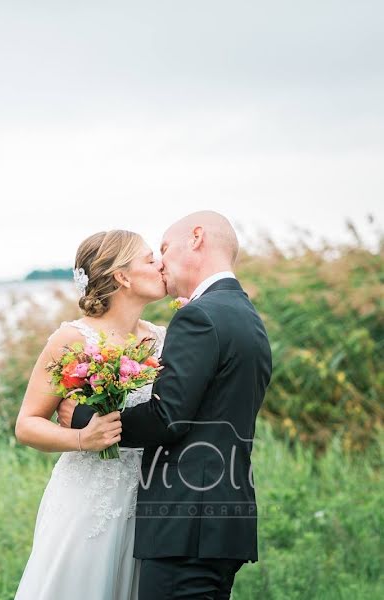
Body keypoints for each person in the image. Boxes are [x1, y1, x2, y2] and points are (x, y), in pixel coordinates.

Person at [58, 211, 273, 600]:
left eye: (164, 248)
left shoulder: (201, 316)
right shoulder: (244, 314)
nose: (160, 261)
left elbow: (167, 418)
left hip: (187, 527)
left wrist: (84, 418)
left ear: (196, 238)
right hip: (221, 521)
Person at [14, 229, 168, 600]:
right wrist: (82, 438)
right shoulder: (73, 339)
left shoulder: (163, 338)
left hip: (148, 499)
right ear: (123, 276)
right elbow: (27, 424)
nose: (161, 264)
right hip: (88, 499)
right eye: (150, 259)